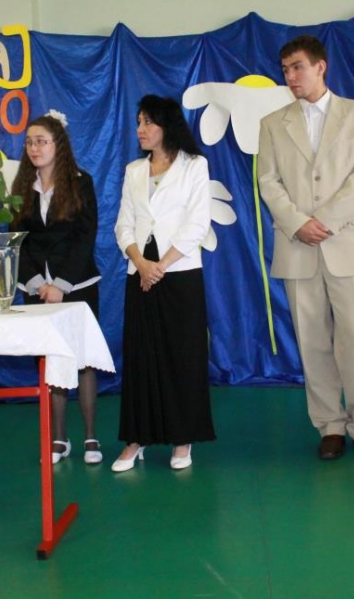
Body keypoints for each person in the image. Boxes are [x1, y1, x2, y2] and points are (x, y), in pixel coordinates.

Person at [257, 34, 354, 461]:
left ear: (320, 66)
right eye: (285, 69)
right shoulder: (272, 124)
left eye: (297, 67)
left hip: (348, 240)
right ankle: (329, 425)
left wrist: (325, 221)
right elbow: (268, 182)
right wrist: (298, 223)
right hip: (296, 245)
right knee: (311, 341)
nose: (290, 76)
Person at [111, 95, 215, 472]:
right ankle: (136, 439)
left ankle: (182, 438)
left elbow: (197, 223)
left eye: (148, 122)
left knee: (182, 356)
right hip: (140, 275)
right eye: (138, 121)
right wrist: (141, 263)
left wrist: (161, 266)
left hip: (180, 274)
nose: (140, 129)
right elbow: (123, 224)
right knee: (140, 357)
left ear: (167, 126)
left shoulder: (195, 166)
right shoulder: (133, 170)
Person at [10, 111, 103, 465]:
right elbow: (17, 240)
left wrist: (62, 285)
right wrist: (37, 283)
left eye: (41, 141)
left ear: (58, 145)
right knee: (51, 361)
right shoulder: (22, 185)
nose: (34, 148)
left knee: (84, 359)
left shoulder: (81, 182)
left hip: (77, 284)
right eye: (29, 142)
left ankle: (91, 438)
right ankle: (59, 439)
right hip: (37, 288)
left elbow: (85, 236)